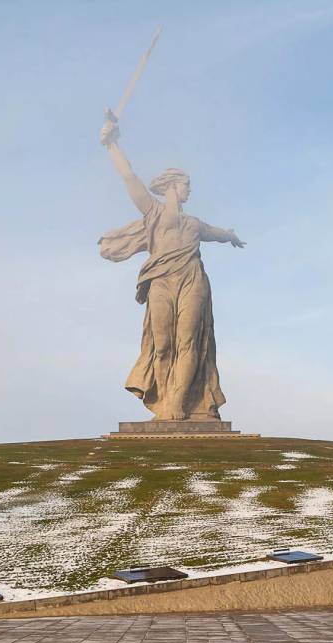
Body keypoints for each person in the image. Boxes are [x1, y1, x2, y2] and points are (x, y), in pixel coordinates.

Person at [98, 115, 245, 422]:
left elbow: (217, 233)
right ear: (171, 186)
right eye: (185, 185)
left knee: (188, 340)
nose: (189, 190)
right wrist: (112, 143)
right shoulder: (152, 212)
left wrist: (230, 236)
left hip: (192, 279)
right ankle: (164, 400)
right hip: (161, 281)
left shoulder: (194, 224)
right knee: (163, 345)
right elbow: (129, 178)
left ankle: (179, 402)